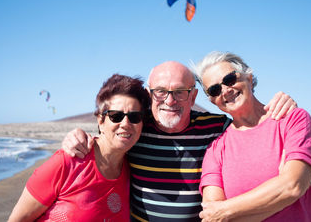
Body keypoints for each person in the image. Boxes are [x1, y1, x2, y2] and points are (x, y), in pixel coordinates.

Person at [62, 61, 297, 222]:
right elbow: (107, 137)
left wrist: (278, 106)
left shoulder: (216, 127)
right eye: (161, 92)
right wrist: (77, 137)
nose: (170, 100)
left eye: (180, 92)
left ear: (193, 96)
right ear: (149, 94)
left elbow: (251, 127)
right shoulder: (135, 126)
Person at [192, 51, 311, 221]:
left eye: (230, 80)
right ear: (212, 100)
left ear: (249, 78)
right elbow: (212, 216)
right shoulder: (216, 149)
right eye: (215, 89)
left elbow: (293, 186)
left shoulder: (292, 119)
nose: (225, 91)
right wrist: (280, 193)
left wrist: (226, 211)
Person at [8, 74, 150, 222]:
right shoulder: (67, 162)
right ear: (100, 120)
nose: (126, 123)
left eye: (134, 117)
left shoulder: (132, 169)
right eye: (116, 115)